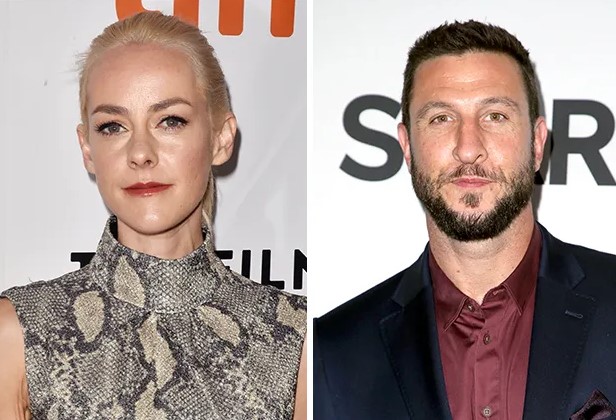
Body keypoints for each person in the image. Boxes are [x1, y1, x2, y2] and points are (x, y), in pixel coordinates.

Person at [0, 11, 306, 419]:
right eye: (113, 126)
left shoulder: (295, 339)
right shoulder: (18, 333)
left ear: (221, 138)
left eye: (170, 121)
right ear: (87, 149)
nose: (141, 153)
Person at [314, 20, 616, 420]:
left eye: (495, 116)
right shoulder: (332, 352)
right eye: (441, 118)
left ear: (537, 143)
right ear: (407, 146)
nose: (468, 148)